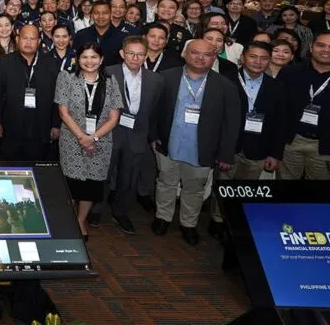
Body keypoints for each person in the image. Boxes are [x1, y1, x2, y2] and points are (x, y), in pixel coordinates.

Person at [151, 39, 241, 246]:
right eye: (195, 53)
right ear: (185, 54)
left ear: (214, 57)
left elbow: (231, 123)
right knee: (166, 182)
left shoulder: (225, 86)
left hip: (202, 148)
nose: (200, 58)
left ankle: (188, 224)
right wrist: (153, 136)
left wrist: (226, 153)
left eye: (207, 54)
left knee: (194, 188)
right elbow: (154, 111)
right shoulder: (167, 78)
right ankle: (162, 218)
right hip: (169, 143)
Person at [208, 41, 286, 237]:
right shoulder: (225, 81)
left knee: (245, 190)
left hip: (258, 149)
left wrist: (275, 154)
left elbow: (279, 124)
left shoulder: (277, 87)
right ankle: (217, 220)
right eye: (253, 56)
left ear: (269, 61)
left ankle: (235, 222)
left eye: (263, 58)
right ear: (243, 58)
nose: (258, 62)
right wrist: (220, 149)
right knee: (223, 186)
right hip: (229, 146)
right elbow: (216, 118)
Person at [89, 36, 164, 235]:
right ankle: (95, 209)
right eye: (130, 53)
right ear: (122, 53)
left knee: (129, 178)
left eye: (140, 54)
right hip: (109, 133)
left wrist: (153, 137)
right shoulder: (106, 73)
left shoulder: (156, 80)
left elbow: (156, 112)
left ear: (146, 56)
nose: (135, 58)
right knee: (102, 174)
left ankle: (121, 212)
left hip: (137, 135)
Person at [56, 43, 122, 239]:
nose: (89, 61)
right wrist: (81, 137)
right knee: (71, 182)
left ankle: (80, 220)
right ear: (78, 59)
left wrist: (92, 138)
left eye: (94, 57)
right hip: (71, 139)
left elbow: (114, 117)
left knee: (91, 185)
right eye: (85, 57)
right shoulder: (66, 77)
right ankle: (67, 219)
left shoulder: (110, 81)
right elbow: (63, 111)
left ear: (101, 60)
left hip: (100, 141)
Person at [0, 25, 62, 161]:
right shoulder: (4, 62)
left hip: (41, 127)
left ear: (39, 42)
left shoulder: (51, 64)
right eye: (25, 38)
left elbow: (57, 97)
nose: (28, 42)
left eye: (32, 39)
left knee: (38, 171)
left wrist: (56, 124)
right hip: (11, 127)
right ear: (17, 39)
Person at [277, 32, 330, 180]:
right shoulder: (290, 72)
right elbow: (278, 109)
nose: (326, 50)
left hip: (325, 146)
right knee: (286, 192)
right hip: (291, 142)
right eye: (321, 45)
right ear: (311, 47)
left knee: (320, 196)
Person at [73, 1, 123, 66]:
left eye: (105, 13)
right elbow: (75, 60)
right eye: (96, 13)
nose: (101, 16)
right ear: (91, 15)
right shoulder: (80, 35)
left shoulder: (122, 37)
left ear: (111, 15)